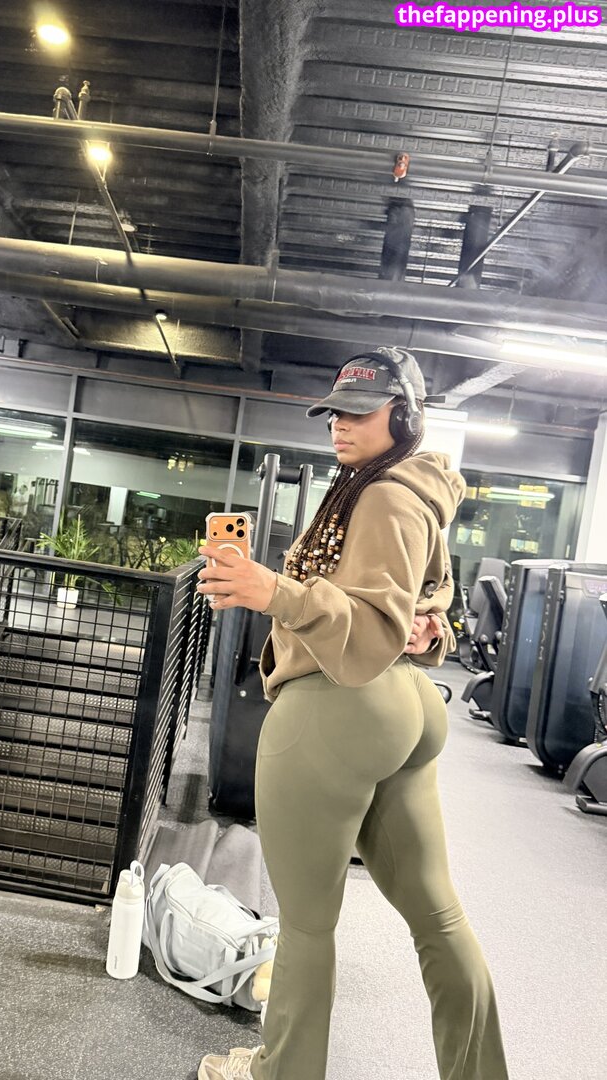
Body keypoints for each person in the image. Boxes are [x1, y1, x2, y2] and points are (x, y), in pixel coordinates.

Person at [195, 347, 509, 1080]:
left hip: (335, 707)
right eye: (334, 412)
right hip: (405, 710)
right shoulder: (412, 492)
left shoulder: (383, 496)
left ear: (404, 417)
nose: (340, 425)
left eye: (359, 413)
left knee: (307, 925)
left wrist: (271, 591)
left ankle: (280, 1075)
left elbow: (367, 626)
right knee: (438, 916)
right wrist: (428, 630)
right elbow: (430, 604)